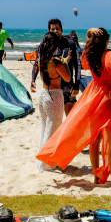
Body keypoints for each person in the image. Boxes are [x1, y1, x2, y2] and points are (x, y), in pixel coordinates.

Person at [37, 28, 111, 187]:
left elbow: (82, 64)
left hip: (92, 96)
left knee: (94, 139)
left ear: (92, 41)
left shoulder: (90, 56)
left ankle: (96, 178)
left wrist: (89, 35)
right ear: (108, 40)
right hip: (109, 97)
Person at [33, 32, 70, 172]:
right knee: (52, 131)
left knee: (45, 129)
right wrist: (65, 63)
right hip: (54, 96)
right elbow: (67, 78)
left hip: (43, 95)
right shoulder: (56, 62)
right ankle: (46, 163)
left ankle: (42, 161)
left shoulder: (42, 59)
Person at [30, 19, 80, 116]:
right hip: (52, 90)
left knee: (70, 117)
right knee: (55, 120)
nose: (55, 31)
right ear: (49, 31)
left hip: (67, 87)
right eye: (52, 29)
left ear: (61, 30)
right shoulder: (44, 45)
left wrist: (76, 84)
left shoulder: (70, 44)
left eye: (57, 28)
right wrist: (33, 80)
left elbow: (77, 64)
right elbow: (37, 63)